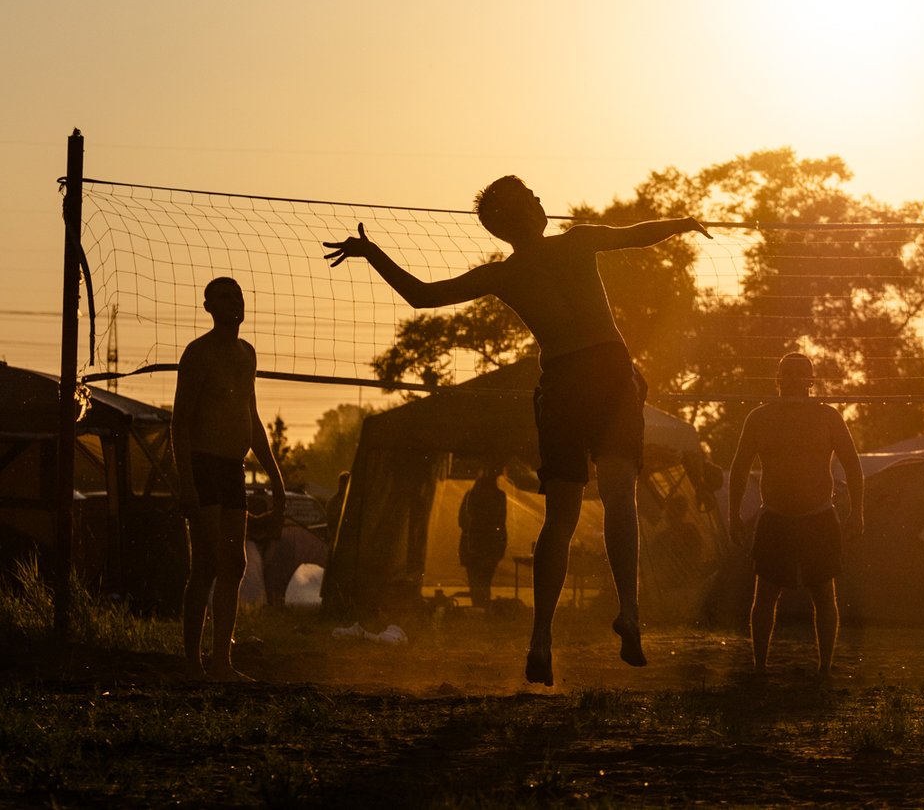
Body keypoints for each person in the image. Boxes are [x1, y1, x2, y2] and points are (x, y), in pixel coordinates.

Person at [325, 175, 706, 685]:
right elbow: (639, 232)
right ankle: (630, 610)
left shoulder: (505, 273)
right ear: (521, 215)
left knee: (562, 516)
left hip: (564, 385)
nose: (541, 201)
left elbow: (420, 295)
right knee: (621, 498)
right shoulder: (577, 240)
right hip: (609, 377)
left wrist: (372, 253)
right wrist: (683, 222)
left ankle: (541, 638)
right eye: (532, 198)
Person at [172, 277, 288, 679]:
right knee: (205, 563)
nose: (234, 302)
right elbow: (180, 423)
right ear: (208, 307)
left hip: (231, 470)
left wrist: (276, 478)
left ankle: (222, 662)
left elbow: (252, 420)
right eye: (225, 297)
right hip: (202, 467)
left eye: (238, 295)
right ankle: (192, 663)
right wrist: (186, 484)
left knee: (235, 564)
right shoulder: (198, 354)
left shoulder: (246, 354)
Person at [728, 352, 864, 679]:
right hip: (775, 517)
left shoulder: (828, 417)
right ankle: (760, 667)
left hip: (819, 516)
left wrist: (856, 512)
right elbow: (739, 468)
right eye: (786, 373)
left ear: (811, 381)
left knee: (824, 594)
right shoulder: (759, 418)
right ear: (777, 380)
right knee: (765, 595)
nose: (792, 379)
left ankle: (825, 667)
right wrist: (733, 514)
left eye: (800, 374)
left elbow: (853, 466)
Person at [457, 464, 510, 608]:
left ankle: (478, 608)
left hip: (473, 545)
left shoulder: (472, 495)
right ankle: (483, 608)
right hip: (491, 545)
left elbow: (462, 520)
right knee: (485, 580)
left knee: (475, 581)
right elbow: (501, 521)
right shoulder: (499, 496)